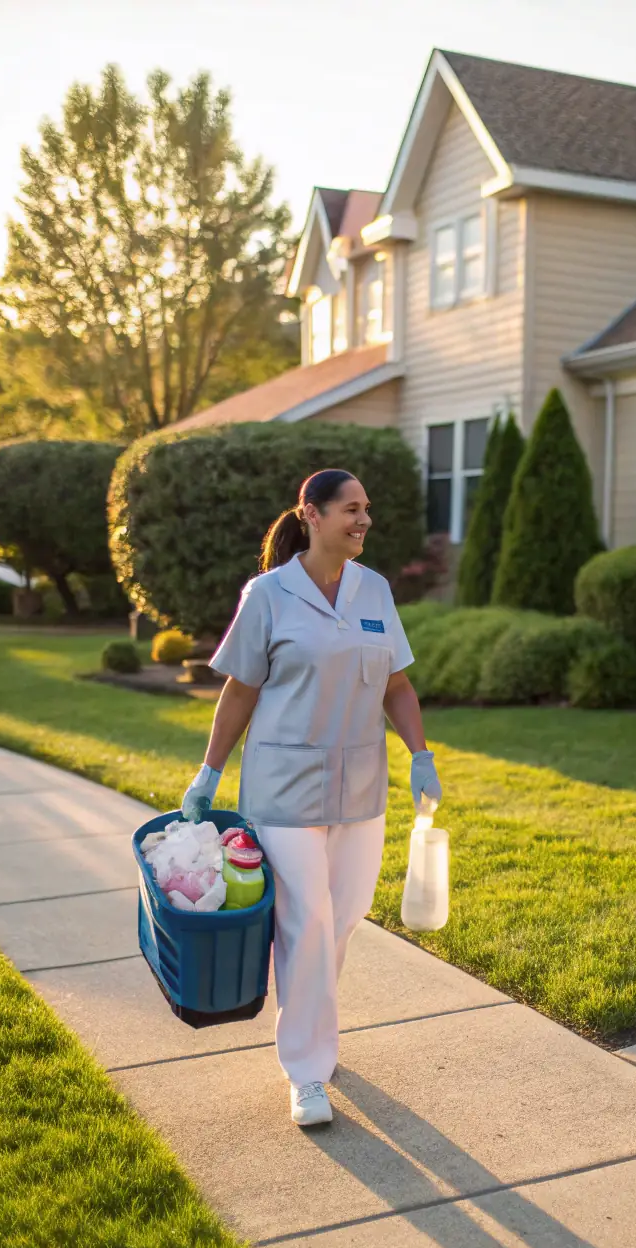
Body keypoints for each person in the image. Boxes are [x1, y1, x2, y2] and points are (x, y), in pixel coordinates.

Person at [180, 469, 442, 1127]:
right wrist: (208, 774)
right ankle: (306, 1070)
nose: (364, 520)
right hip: (283, 790)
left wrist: (421, 755)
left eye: (367, 509)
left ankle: (310, 1017)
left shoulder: (374, 589)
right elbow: (240, 689)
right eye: (352, 509)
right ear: (313, 514)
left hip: (360, 789)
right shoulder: (268, 594)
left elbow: (398, 687)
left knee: (346, 913)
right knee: (308, 921)